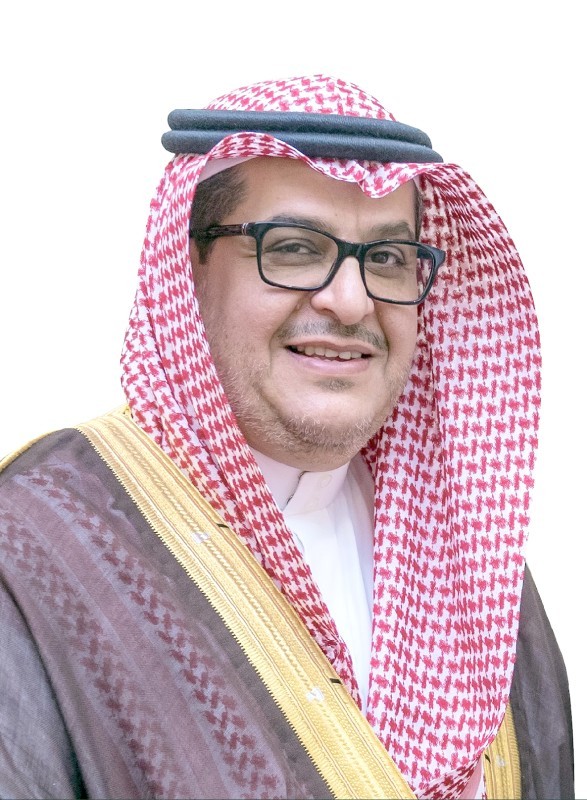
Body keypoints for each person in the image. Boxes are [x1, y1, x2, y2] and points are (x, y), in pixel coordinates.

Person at [0, 74, 574, 800]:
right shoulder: (38, 547)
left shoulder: (468, 557)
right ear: (187, 267)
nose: (350, 301)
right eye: (296, 248)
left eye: (388, 258)